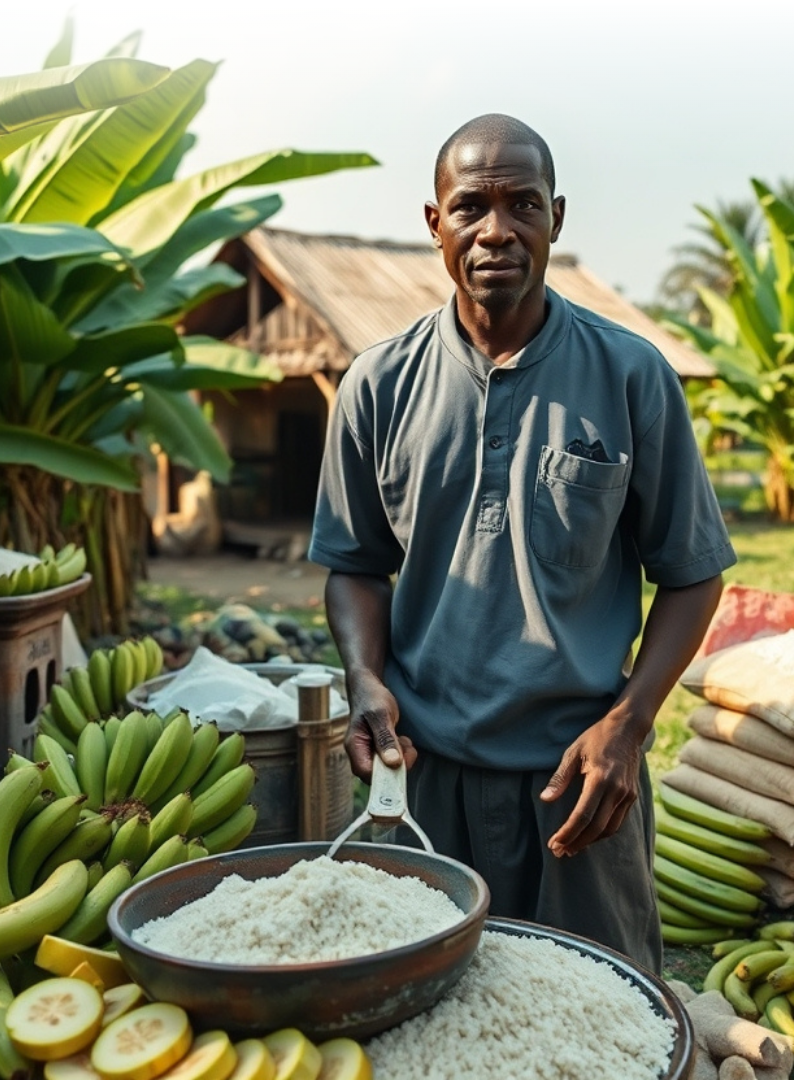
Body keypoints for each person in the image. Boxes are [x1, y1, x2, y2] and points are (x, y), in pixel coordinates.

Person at [308, 114, 735, 971]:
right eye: (471, 206)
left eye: (522, 205)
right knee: (442, 1026)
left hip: (580, 783)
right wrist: (365, 678)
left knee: (599, 1025)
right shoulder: (378, 384)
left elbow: (691, 577)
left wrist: (630, 723)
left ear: (556, 218)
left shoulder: (630, 375)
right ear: (435, 223)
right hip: (424, 780)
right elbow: (354, 564)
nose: (496, 230)